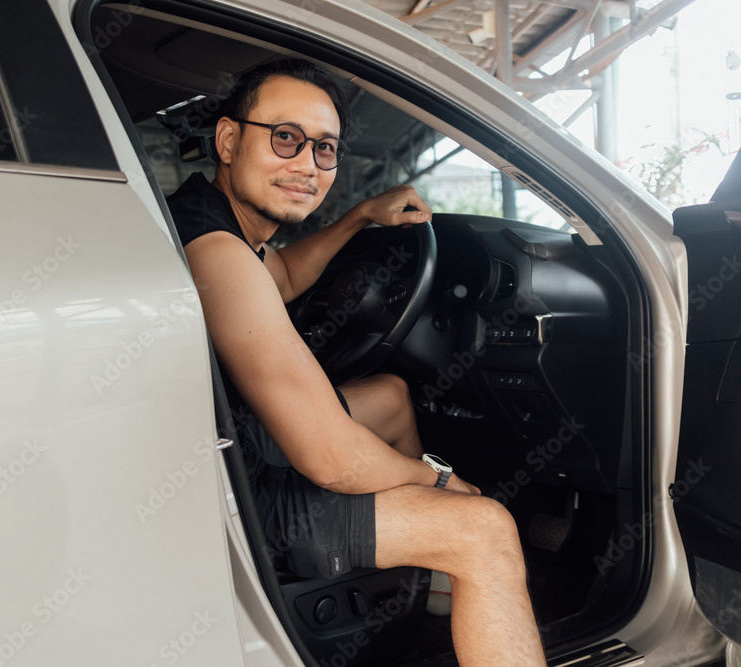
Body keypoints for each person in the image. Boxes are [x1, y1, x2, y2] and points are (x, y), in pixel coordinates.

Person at [167, 59, 546, 667]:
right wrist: (438, 482)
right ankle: (457, 555)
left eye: (324, 148)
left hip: (221, 446)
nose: (307, 165)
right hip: (236, 497)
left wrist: (359, 216)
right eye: (285, 138)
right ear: (229, 139)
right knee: (486, 528)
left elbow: (283, 277)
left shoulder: (207, 216)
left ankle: (430, 580)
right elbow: (333, 460)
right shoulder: (216, 253)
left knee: (390, 395)